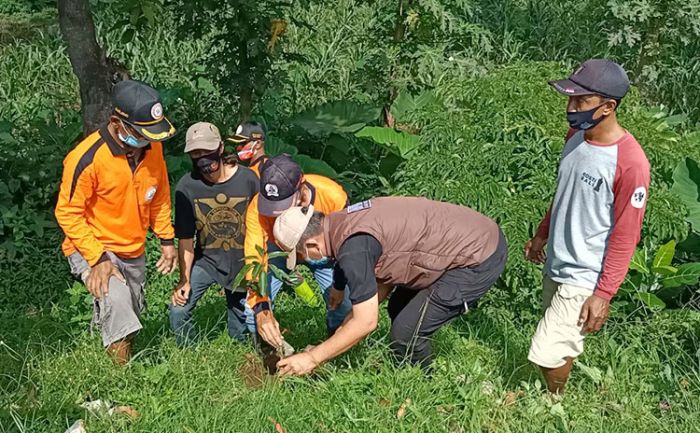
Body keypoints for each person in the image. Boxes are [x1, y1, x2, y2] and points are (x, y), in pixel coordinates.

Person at [271, 196, 508, 376]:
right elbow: (380, 284)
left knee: (405, 333)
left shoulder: (354, 249)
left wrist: (312, 358)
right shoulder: (340, 222)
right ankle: (405, 368)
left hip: (477, 257)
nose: (305, 261)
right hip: (462, 238)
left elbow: (366, 321)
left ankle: (423, 388)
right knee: (399, 308)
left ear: (312, 244)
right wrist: (340, 292)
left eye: (302, 256)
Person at [524, 59, 650, 394]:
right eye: (570, 98)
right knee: (558, 340)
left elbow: (626, 235)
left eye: (582, 101)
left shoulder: (631, 163)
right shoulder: (576, 136)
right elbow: (565, 193)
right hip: (558, 258)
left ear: (609, 106)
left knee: (547, 350)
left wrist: (603, 293)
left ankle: (553, 403)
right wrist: (541, 234)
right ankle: (550, 396)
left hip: (586, 272)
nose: (571, 107)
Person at [55, 80, 177, 364]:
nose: (149, 140)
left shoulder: (152, 150)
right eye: (142, 133)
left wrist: (166, 239)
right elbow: (67, 212)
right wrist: (97, 259)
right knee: (118, 300)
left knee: (131, 306)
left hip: (132, 246)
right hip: (93, 244)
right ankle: (120, 379)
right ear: (116, 123)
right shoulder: (86, 159)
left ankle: (113, 347)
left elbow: (159, 194)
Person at [244, 154, 352, 345]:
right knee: (252, 310)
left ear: (301, 185)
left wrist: (339, 284)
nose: (278, 213)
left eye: (284, 205)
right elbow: (254, 255)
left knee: (342, 305)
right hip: (279, 251)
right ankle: (263, 356)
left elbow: (346, 245)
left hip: (323, 255)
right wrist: (261, 307)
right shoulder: (257, 207)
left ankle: (334, 349)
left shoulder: (332, 196)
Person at [168, 122, 259, 345]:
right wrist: (184, 280)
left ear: (220, 148)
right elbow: (186, 239)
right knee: (178, 309)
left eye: (207, 151)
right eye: (196, 154)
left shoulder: (248, 179)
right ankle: (189, 357)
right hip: (207, 260)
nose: (203, 159)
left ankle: (244, 353)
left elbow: (264, 225)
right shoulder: (187, 186)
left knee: (241, 328)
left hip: (244, 261)